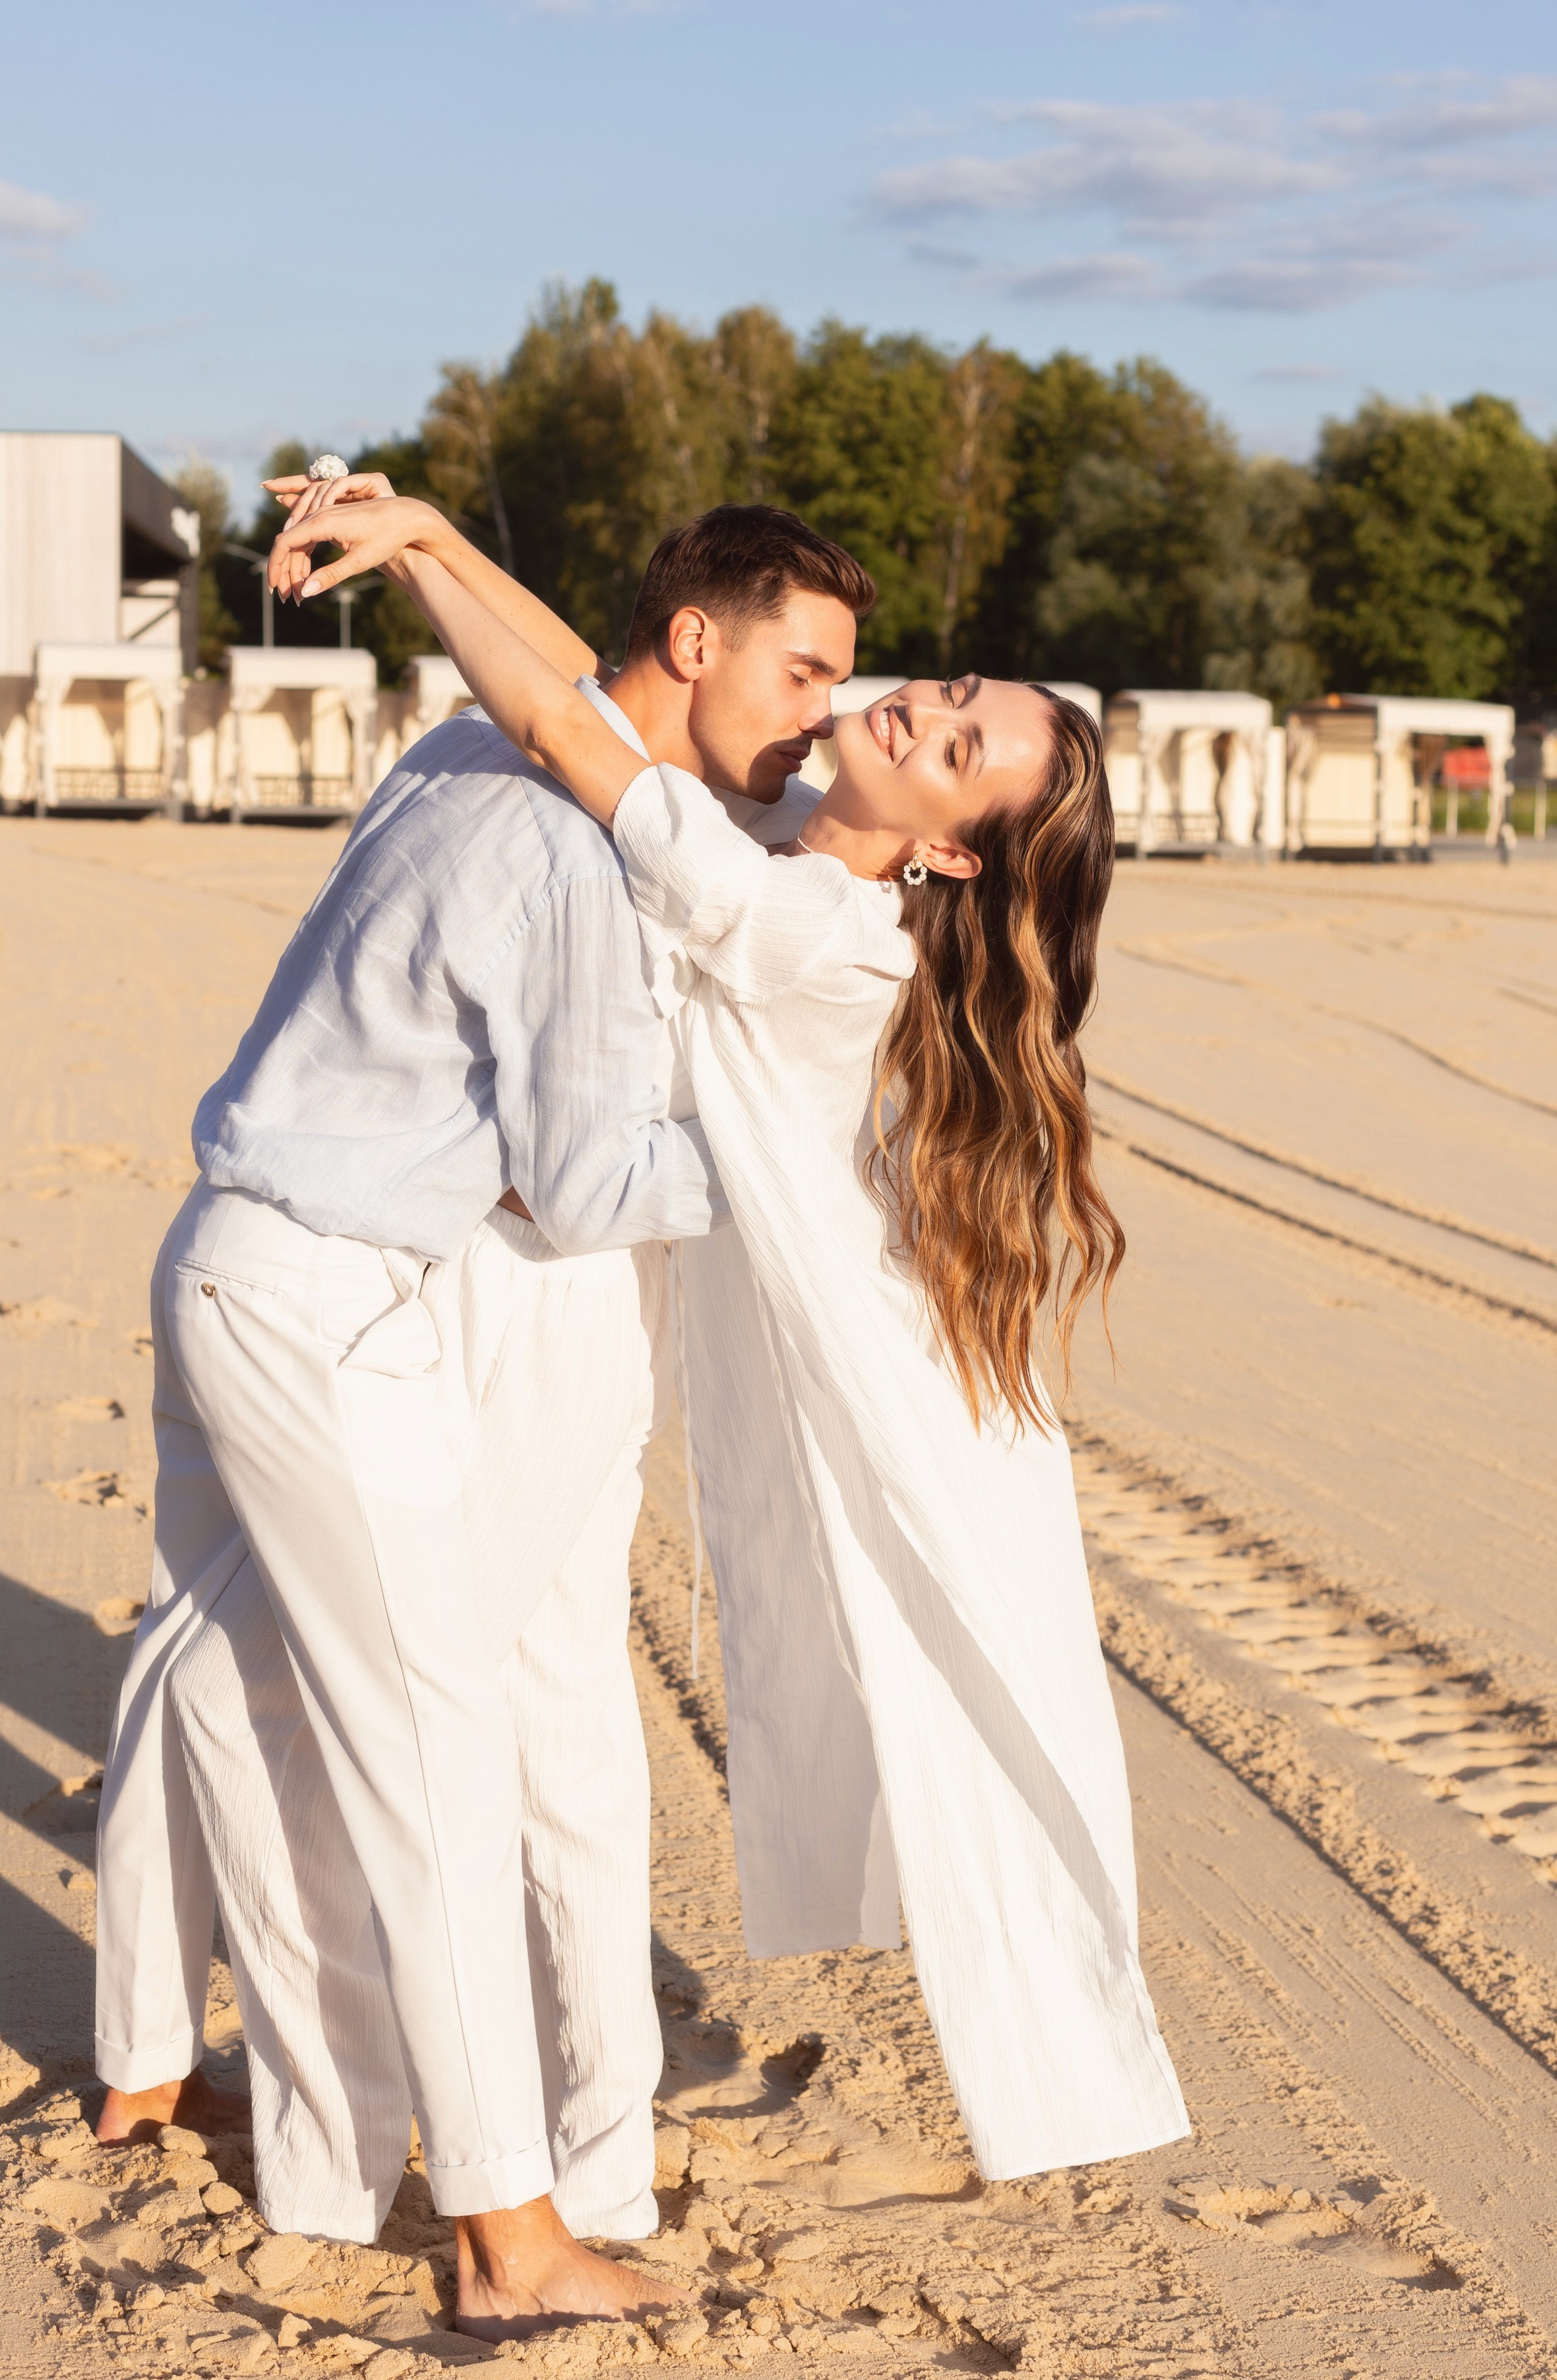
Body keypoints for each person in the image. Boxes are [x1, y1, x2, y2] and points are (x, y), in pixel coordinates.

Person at [264, 487, 1192, 2181]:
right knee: (515, 1705)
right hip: (552, 1281)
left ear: (951, 852)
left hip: (576, 1311)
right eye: (951, 689)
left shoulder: (810, 927)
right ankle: (542, 2126)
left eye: (958, 745)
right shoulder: (771, 847)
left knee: (488, 1704)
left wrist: (414, 552)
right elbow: (617, 691)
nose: (913, 709)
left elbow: (568, 727)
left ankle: (460, 2114)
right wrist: (437, 539)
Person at [90, 496, 874, 2333]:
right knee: (433, 1754)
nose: (824, 714)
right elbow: (587, 1188)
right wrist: (779, 1160)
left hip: (219, 1249)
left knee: (204, 1654)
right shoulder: (581, 870)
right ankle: (510, 2235)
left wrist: (435, 543)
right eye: (805, 670)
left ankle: (142, 2063)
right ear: (696, 643)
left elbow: (567, 691)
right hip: (325, 1307)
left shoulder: (466, 744)